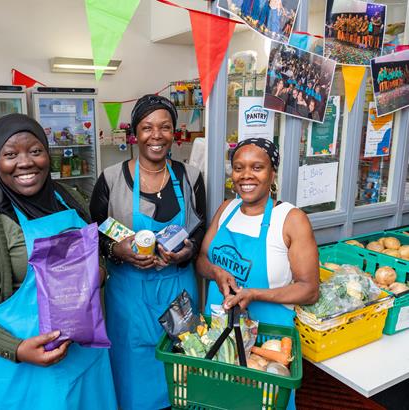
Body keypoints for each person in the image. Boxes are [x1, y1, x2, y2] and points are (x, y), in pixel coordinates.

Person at [0, 114, 116, 410]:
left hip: (85, 359)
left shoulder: (70, 198)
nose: (25, 162)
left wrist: (99, 274)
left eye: (35, 151)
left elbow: (95, 254)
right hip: (25, 372)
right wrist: (17, 349)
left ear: (48, 154)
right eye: (10, 154)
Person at [90, 95, 206, 410]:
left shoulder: (190, 177)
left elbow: (199, 228)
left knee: (182, 368)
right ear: (135, 134)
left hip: (178, 291)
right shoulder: (111, 180)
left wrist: (187, 252)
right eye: (147, 128)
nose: (156, 136)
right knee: (133, 380)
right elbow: (95, 233)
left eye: (164, 127)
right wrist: (118, 250)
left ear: (174, 131)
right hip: (128, 296)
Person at [196, 138, 319, 410]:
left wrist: (254, 294)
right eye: (238, 168)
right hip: (219, 335)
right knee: (216, 400)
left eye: (257, 167)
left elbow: (309, 290)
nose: (246, 175)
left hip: (269, 343)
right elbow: (202, 260)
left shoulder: (290, 219)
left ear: (272, 173)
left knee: (262, 402)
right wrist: (217, 271)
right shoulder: (226, 209)